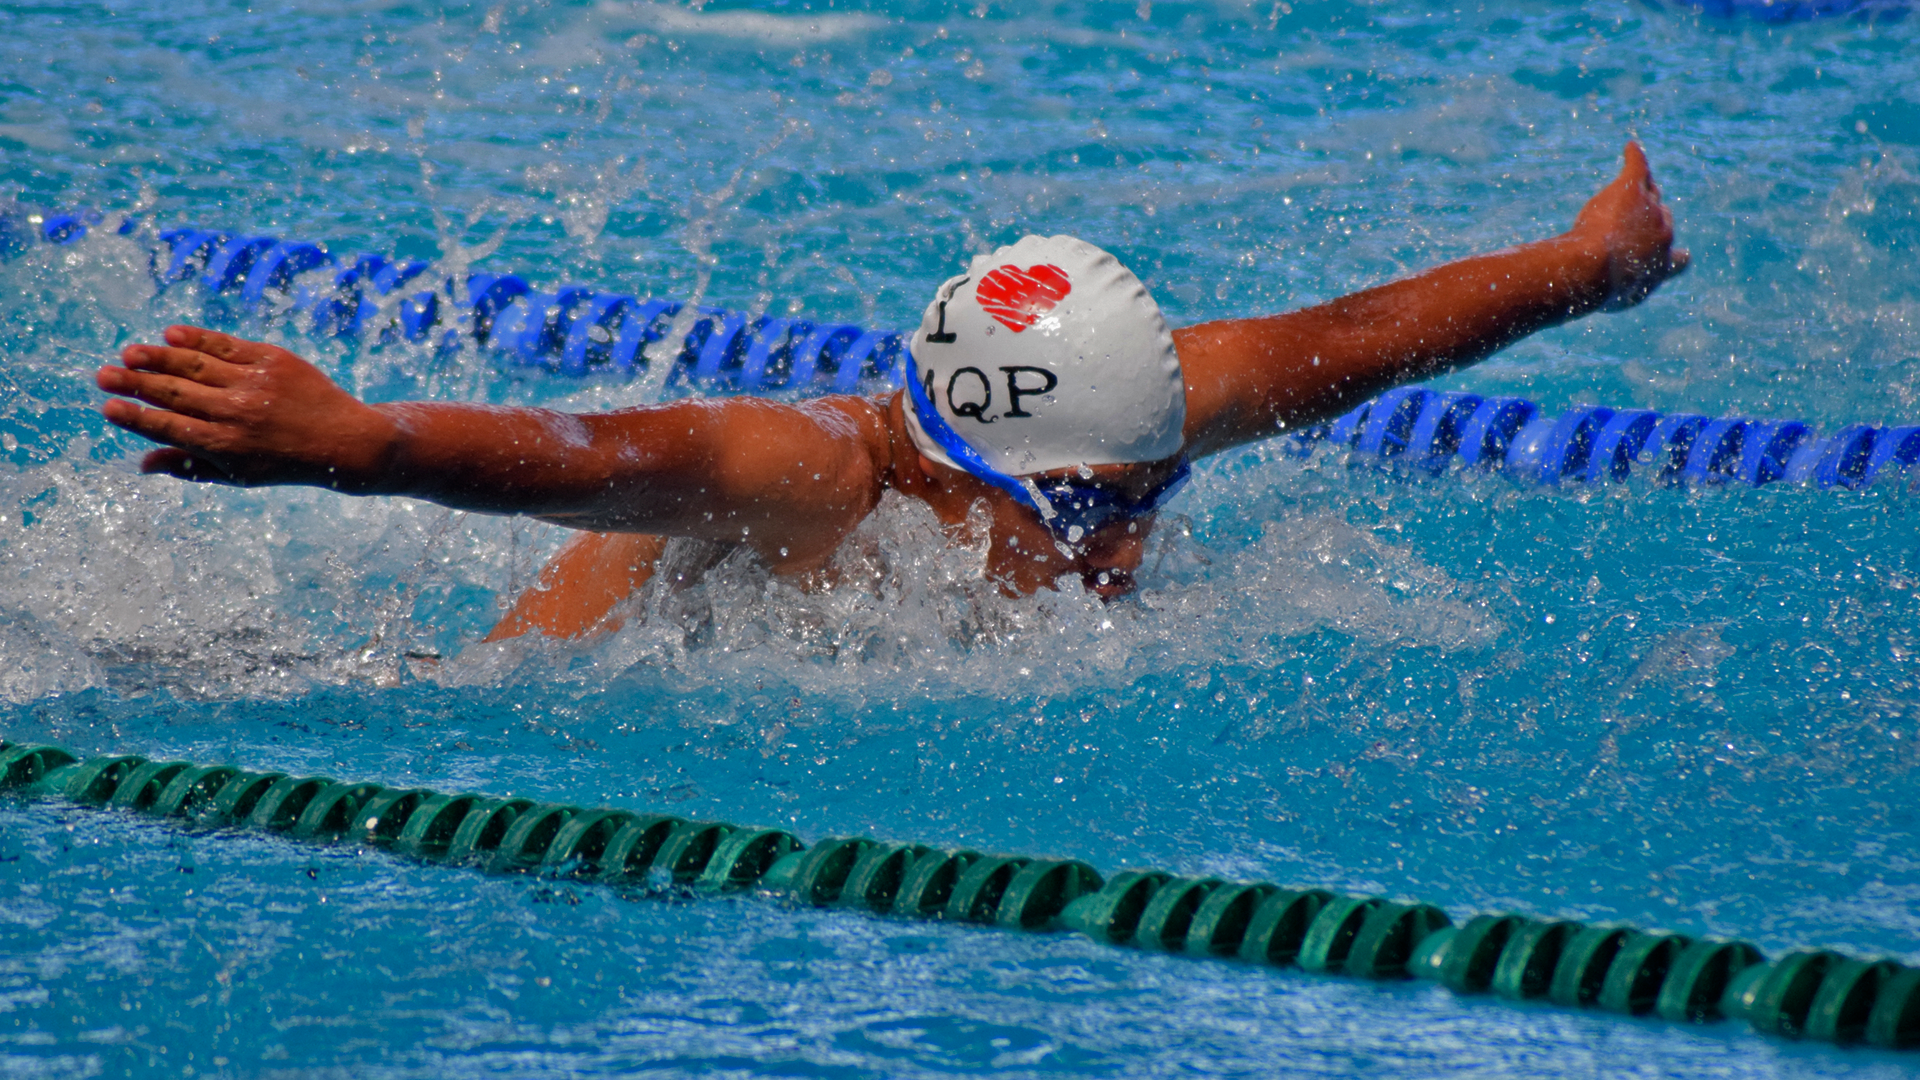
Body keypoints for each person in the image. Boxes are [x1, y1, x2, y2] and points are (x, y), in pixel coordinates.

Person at [95, 143, 1687, 641]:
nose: (1120, 549)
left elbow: (1367, 331)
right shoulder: (817, 478)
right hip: (492, 711)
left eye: (1151, 493)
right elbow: (604, 451)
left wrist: (1586, 263)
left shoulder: (1126, 401)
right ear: (956, 476)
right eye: (1086, 514)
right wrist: (360, 442)